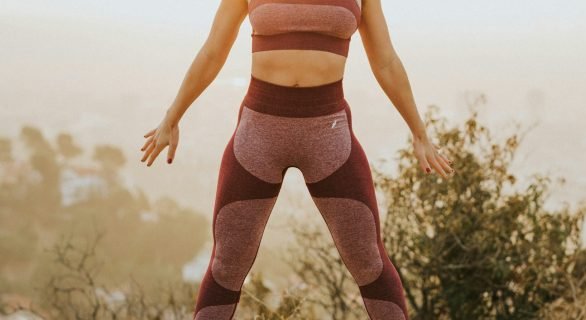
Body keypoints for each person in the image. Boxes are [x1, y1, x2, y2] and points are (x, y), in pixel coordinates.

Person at [140, 0, 454, 319]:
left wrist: (419, 133)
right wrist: (172, 116)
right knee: (226, 266)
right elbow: (213, 51)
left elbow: (385, 60)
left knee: (370, 262)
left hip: (329, 134)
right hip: (259, 133)